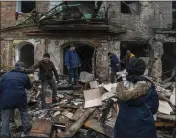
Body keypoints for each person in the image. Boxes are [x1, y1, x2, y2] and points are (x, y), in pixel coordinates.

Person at [114, 58, 159, 138]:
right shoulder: (148, 86)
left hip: (123, 125)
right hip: (144, 127)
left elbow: (120, 104)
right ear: (142, 70)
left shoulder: (120, 86)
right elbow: (154, 108)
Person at [0, 62, 32, 138]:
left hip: (6, 100)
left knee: (5, 119)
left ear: (15, 67)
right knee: (24, 113)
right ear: (22, 68)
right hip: (20, 99)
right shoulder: (25, 76)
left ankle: (5, 135)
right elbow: (29, 87)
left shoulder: (5, 75)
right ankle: (25, 132)